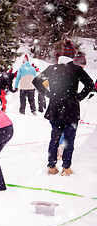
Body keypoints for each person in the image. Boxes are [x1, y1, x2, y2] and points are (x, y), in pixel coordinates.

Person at [32, 39, 94, 176]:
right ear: (72, 57)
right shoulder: (76, 69)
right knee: (69, 140)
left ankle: (51, 166)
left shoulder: (52, 68)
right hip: (71, 110)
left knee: (54, 139)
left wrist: (48, 94)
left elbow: (36, 81)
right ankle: (66, 168)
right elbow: (90, 85)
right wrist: (79, 97)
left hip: (55, 110)